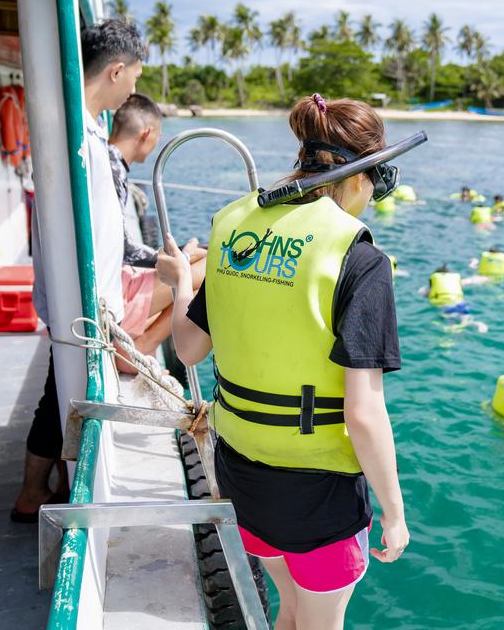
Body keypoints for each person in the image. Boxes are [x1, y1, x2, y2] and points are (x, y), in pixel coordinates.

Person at [158, 94, 410, 629]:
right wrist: (394, 509)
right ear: (364, 175)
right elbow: (363, 414)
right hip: (318, 494)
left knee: (290, 611)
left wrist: (184, 283)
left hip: (242, 471)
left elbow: (188, 349)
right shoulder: (359, 259)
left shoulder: (233, 228)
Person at [12, 19, 144, 523]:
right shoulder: (78, 140)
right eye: (132, 75)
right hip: (78, 308)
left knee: (59, 397)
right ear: (115, 71)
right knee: (60, 402)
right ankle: (41, 497)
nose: (133, 86)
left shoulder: (84, 132)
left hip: (87, 305)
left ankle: (40, 492)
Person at [105, 93, 206, 369]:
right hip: (114, 289)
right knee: (213, 266)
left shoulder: (105, 159)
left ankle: (143, 339)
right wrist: (178, 258)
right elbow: (124, 248)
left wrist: (179, 256)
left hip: (114, 278)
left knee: (195, 259)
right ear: (147, 134)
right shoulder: (111, 167)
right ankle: (144, 346)